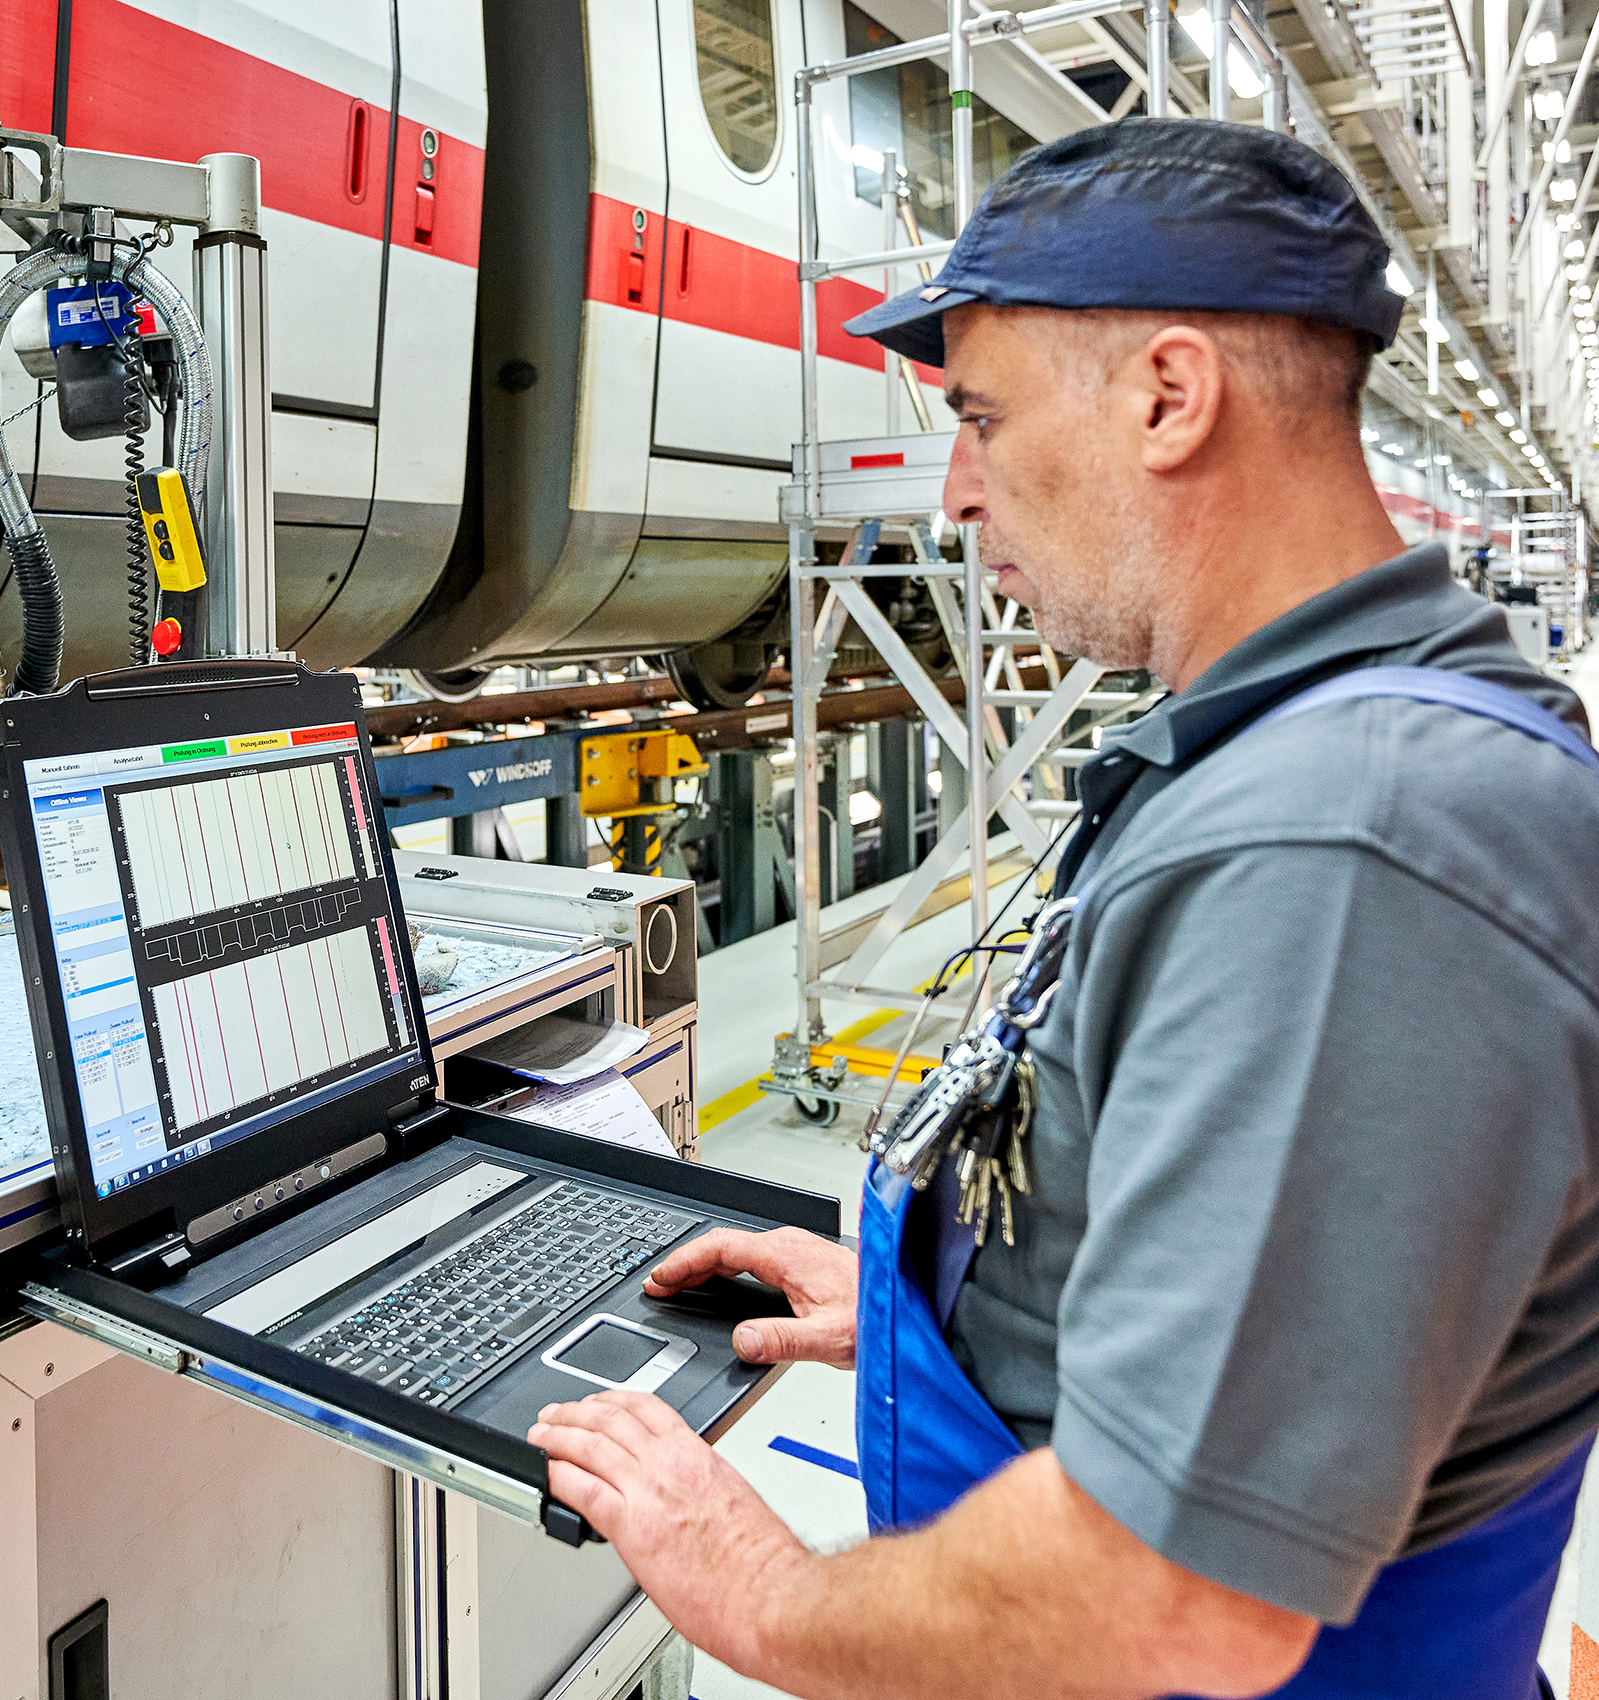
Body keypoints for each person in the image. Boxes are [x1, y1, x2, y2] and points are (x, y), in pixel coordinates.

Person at [527, 117, 1599, 1698]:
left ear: (1170, 398)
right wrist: (933, 1320)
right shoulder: (1313, 743)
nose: (954, 493)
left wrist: (754, 1591)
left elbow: (1171, 1587)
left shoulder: (1345, 846)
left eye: (980, 417)